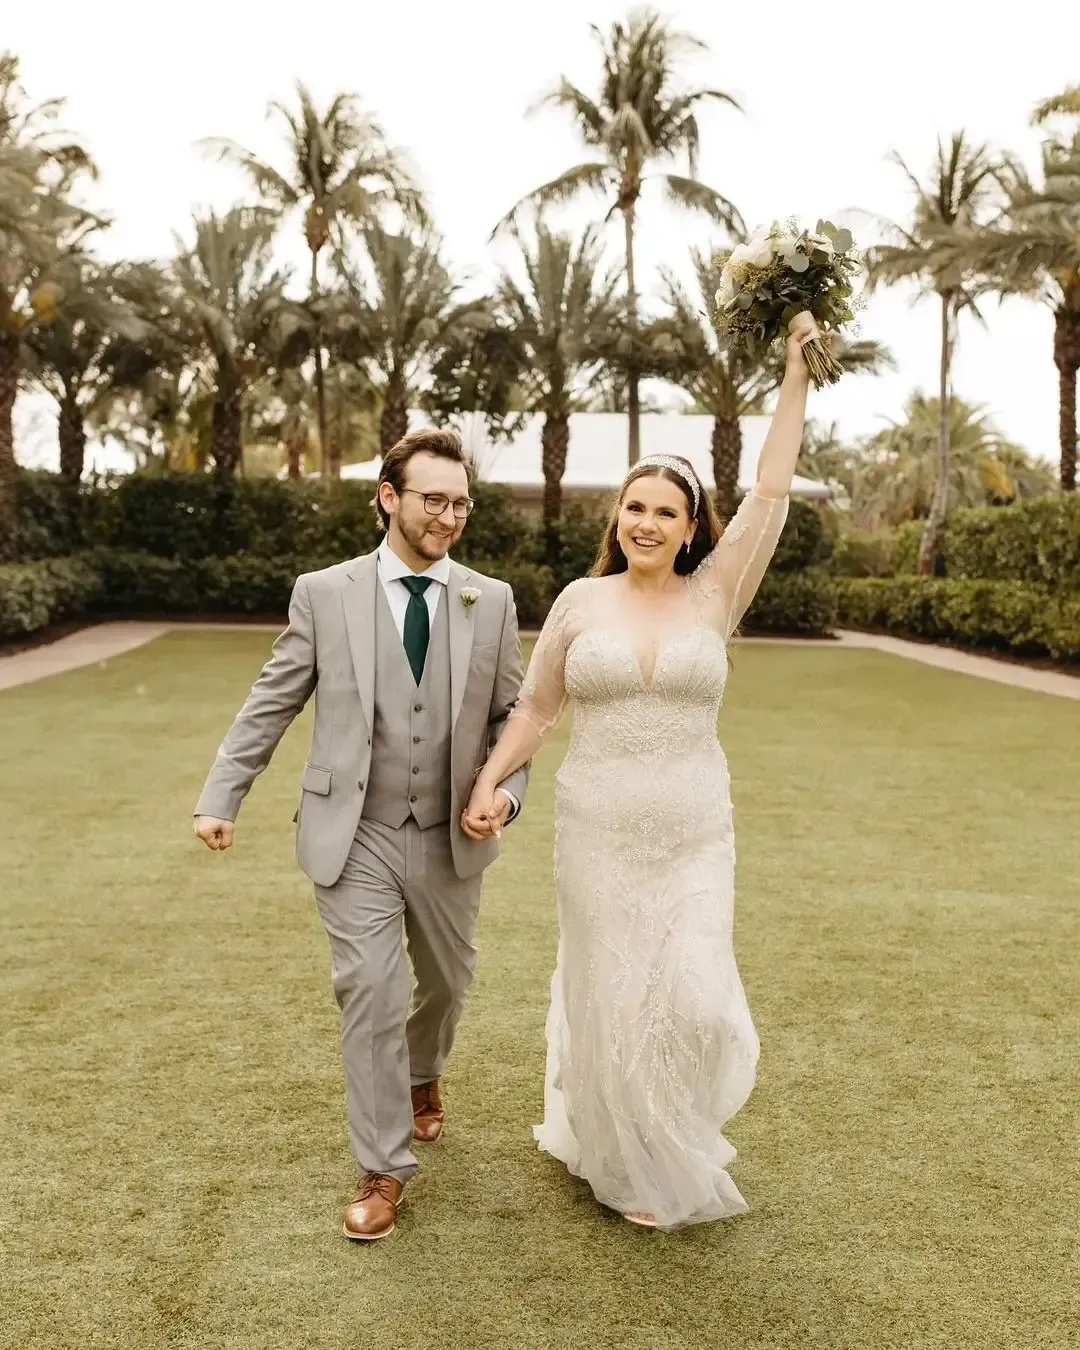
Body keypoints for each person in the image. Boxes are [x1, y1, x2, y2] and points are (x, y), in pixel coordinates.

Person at [466, 316, 816, 1229]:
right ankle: (633, 1167)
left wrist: (793, 373)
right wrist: (491, 781)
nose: (646, 523)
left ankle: (670, 1131)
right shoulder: (581, 601)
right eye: (634, 508)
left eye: (666, 511)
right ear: (615, 518)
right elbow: (537, 708)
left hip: (695, 831)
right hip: (598, 829)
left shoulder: (717, 593)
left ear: (692, 527)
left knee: (693, 999)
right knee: (616, 995)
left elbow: (771, 490)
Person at [193, 427, 528, 1242]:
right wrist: (222, 794)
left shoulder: (491, 600)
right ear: (388, 497)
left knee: (447, 982)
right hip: (354, 831)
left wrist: (504, 796)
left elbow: (513, 719)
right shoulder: (323, 593)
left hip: (450, 833)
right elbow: (273, 698)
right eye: (433, 500)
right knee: (371, 988)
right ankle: (383, 1166)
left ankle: (423, 1072)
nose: (449, 516)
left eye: (461, 503)